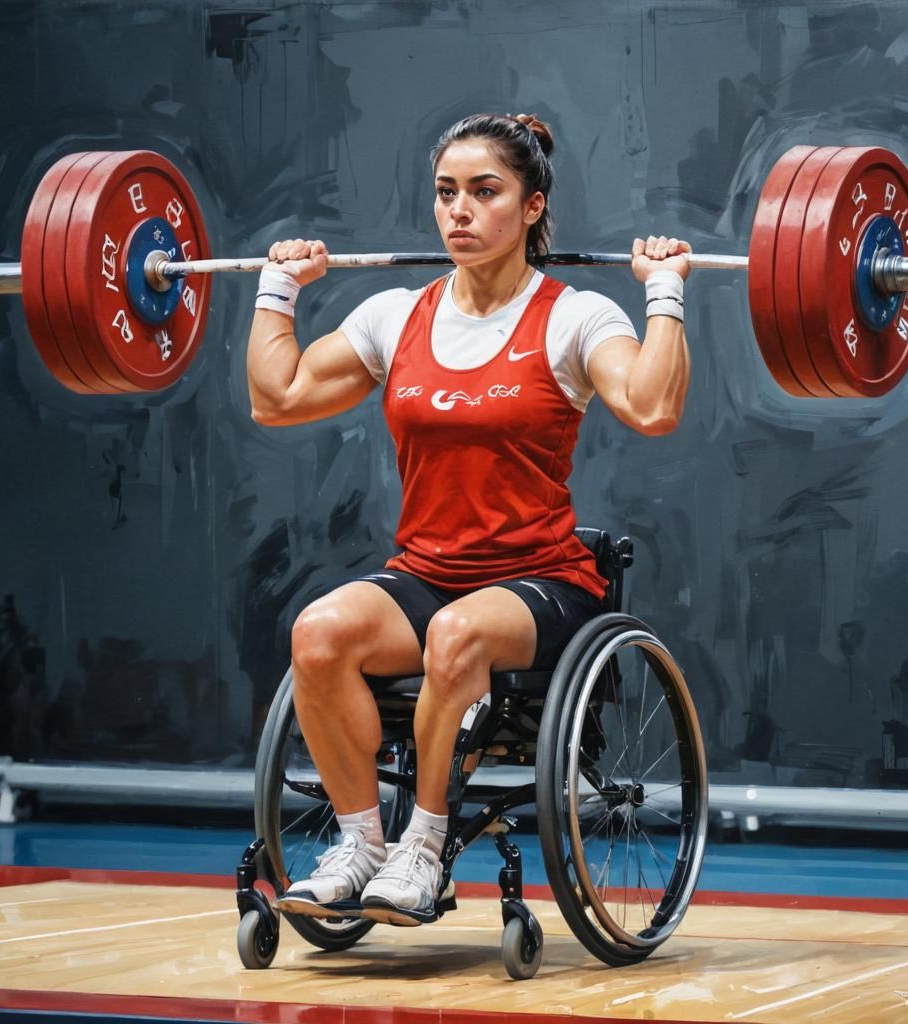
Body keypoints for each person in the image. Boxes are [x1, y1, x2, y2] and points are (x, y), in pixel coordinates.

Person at [246, 112, 691, 926]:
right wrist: (279, 290)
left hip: (541, 583)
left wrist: (664, 292)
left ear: (531, 206)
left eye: (485, 192)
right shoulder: (396, 315)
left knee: (456, 633)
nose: (459, 211)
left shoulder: (572, 317)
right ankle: (360, 845)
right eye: (446, 192)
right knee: (318, 632)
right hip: (427, 573)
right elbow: (277, 397)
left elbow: (653, 405)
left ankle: (424, 848)